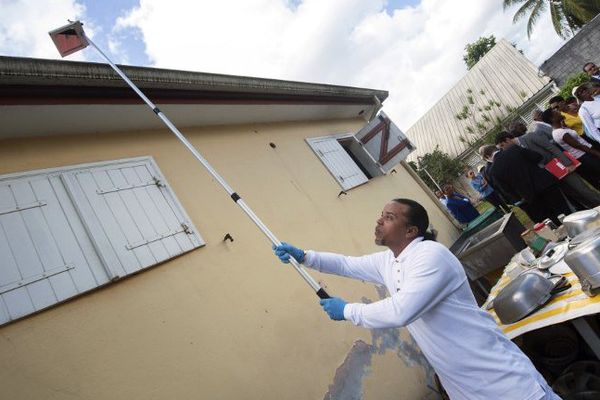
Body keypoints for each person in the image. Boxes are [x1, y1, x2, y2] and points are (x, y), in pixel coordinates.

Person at [272, 199, 561, 400]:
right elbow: (348, 264)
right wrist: (305, 256)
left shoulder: (430, 257)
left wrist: (348, 310)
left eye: (389, 217)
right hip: (468, 388)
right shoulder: (391, 260)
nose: (379, 220)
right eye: (381, 214)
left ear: (411, 231)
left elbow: (402, 311)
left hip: (507, 384)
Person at [508, 119, 600, 210]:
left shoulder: (530, 136)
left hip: (559, 166)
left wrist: (567, 163)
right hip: (549, 175)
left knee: (581, 189)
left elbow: (551, 148)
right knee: (573, 193)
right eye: (520, 125)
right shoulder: (516, 149)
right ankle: (593, 209)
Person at [493, 131, 571, 224]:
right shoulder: (514, 150)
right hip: (544, 183)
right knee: (562, 207)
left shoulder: (494, 170)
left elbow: (507, 190)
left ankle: (562, 230)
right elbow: (538, 157)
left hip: (530, 195)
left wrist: (520, 196)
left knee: (549, 216)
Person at [544, 108, 600, 189]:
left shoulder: (561, 128)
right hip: (585, 156)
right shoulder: (559, 132)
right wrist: (597, 153)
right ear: (552, 118)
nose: (559, 111)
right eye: (555, 112)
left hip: (587, 153)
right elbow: (579, 146)